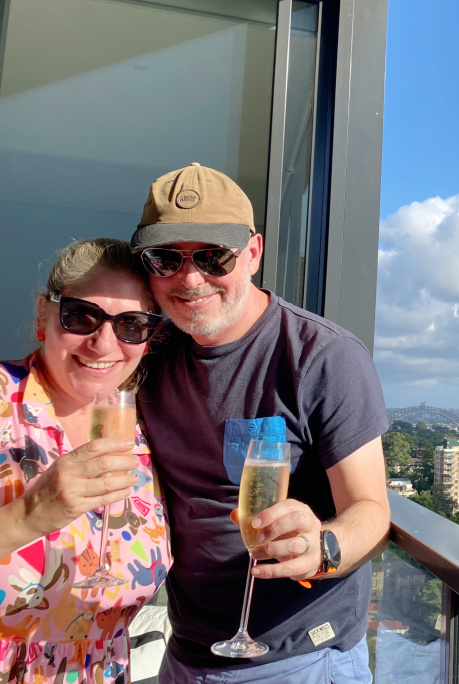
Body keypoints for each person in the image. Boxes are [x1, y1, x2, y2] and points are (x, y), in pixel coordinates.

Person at [133, 163, 390, 683]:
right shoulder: (145, 353)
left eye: (213, 255)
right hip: (184, 652)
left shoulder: (323, 357)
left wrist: (321, 547)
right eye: (166, 258)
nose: (189, 278)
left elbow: (371, 511)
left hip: (300, 659)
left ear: (253, 253)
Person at [0, 238, 171, 683]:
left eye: (132, 324)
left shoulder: (149, 430)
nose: (103, 343)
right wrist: (27, 516)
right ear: (44, 315)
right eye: (82, 316)